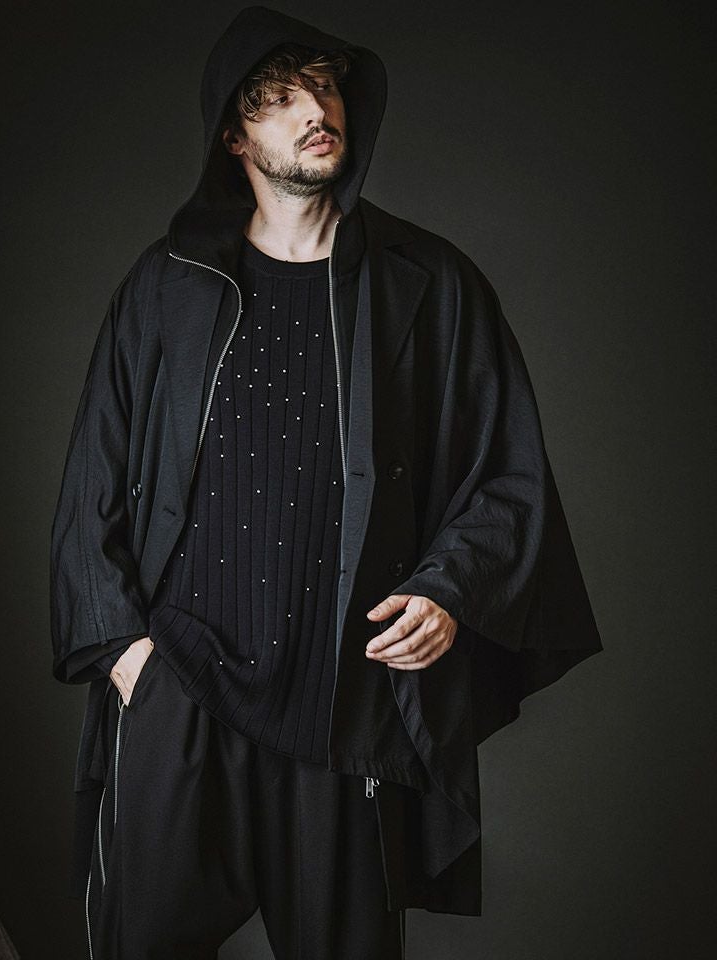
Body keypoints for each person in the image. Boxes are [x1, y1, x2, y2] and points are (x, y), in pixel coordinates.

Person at [49, 6, 604, 959]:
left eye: (324, 86)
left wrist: (449, 590)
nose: (315, 109)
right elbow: (91, 477)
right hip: (181, 691)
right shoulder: (167, 286)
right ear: (234, 136)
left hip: (345, 707)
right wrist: (128, 656)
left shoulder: (427, 282)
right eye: (279, 97)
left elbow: (507, 475)